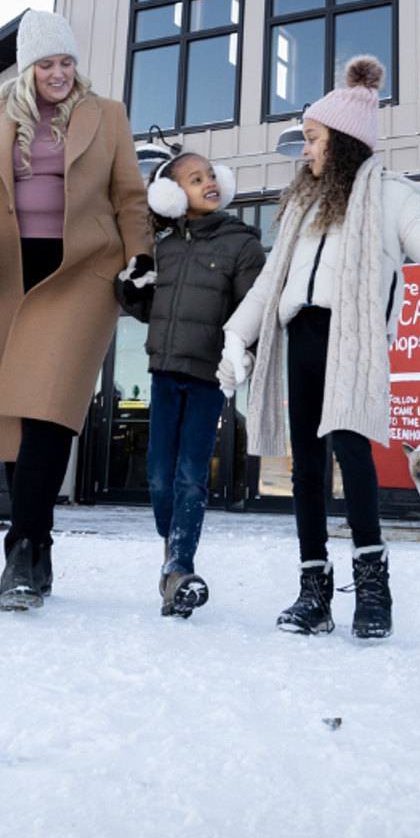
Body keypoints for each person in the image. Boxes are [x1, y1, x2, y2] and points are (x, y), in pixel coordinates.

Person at [222, 56, 420, 639]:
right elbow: (270, 284)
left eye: (311, 139)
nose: (305, 151)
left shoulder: (391, 196)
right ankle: (314, 590)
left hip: (352, 342)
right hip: (301, 338)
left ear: (340, 140)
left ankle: (371, 584)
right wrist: (237, 336)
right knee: (306, 468)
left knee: (352, 457)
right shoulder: (300, 208)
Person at [0, 10, 153, 611]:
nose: (60, 73)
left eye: (67, 62)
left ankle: (19, 550)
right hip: (5, 277)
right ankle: (36, 547)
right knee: (13, 419)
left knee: (49, 414)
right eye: (47, 64)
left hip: (78, 277)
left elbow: (130, 199)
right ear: (26, 69)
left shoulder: (106, 115)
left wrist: (140, 258)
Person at [117, 150, 266, 618]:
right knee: (160, 476)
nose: (209, 182)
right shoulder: (164, 247)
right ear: (171, 196)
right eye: (194, 178)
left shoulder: (242, 244)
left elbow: (253, 310)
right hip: (163, 372)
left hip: (207, 376)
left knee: (189, 475)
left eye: (211, 175)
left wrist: (242, 355)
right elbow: (147, 311)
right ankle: (172, 555)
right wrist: (131, 286)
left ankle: (180, 563)